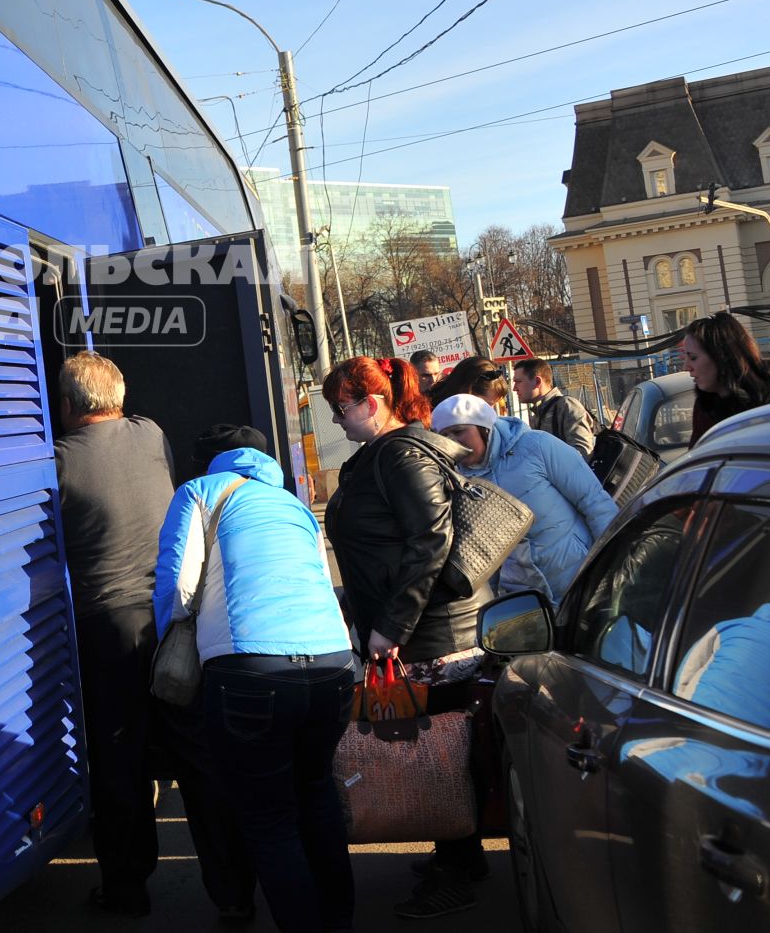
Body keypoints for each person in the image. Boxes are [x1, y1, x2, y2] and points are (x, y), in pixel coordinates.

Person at [156, 424, 355, 933]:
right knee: (316, 792)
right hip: (333, 664)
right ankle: (339, 921)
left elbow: (177, 589)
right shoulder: (292, 504)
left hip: (250, 669)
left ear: (212, 464)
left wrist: (172, 643)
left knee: (269, 819)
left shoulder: (198, 493)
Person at [322, 357, 488, 920]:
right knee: (437, 749)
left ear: (371, 404)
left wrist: (392, 625)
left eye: (341, 408)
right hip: (413, 628)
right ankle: (459, 857)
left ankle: (456, 870)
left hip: (431, 633)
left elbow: (430, 541)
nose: (337, 421)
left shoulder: (398, 455)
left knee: (437, 753)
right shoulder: (379, 456)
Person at [52, 351, 176, 917]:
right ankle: (234, 886)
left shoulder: (56, 462)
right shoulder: (151, 434)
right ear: (120, 399)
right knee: (189, 748)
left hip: (106, 625)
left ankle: (127, 887)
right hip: (170, 616)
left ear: (68, 404)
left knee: (118, 758)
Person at [430, 394, 619, 601]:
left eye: (459, 431)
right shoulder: (456, 481)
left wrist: (612, 564)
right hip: (527, 597)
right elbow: (481, 555)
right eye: (445, 435)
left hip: (582, 578)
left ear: (483, 427)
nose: (453, 441)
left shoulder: (537, 446)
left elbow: (594, 502)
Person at [680, 312, 770, 445]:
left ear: (720, 356)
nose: (686, 367)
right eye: (685, 358)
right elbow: (700, 459)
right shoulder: (705, 407)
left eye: (693, 358)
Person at [512, 358, 595, 460]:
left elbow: (583, 452)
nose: (514, 388)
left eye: (518, 381)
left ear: (537, 381)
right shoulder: (539, 413)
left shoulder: (566, 406)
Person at [426, 355, 507, 409]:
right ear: (465, 392)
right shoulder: (431, 418)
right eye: (486, 405)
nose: (491, 411)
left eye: (494, 405)